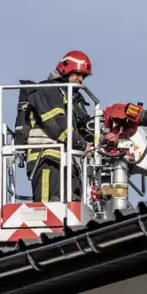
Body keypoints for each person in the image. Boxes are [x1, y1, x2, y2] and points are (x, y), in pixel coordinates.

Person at [17, 50, 96, 203]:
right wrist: (83, 144)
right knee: (48, 209)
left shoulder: (72, 99)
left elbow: (84, 127)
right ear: (65, 70)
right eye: (77, 74)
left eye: (83, 76)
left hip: (65, 161)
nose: (80, 80)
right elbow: (56, 125)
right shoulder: (48, 90)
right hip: (47, 158)